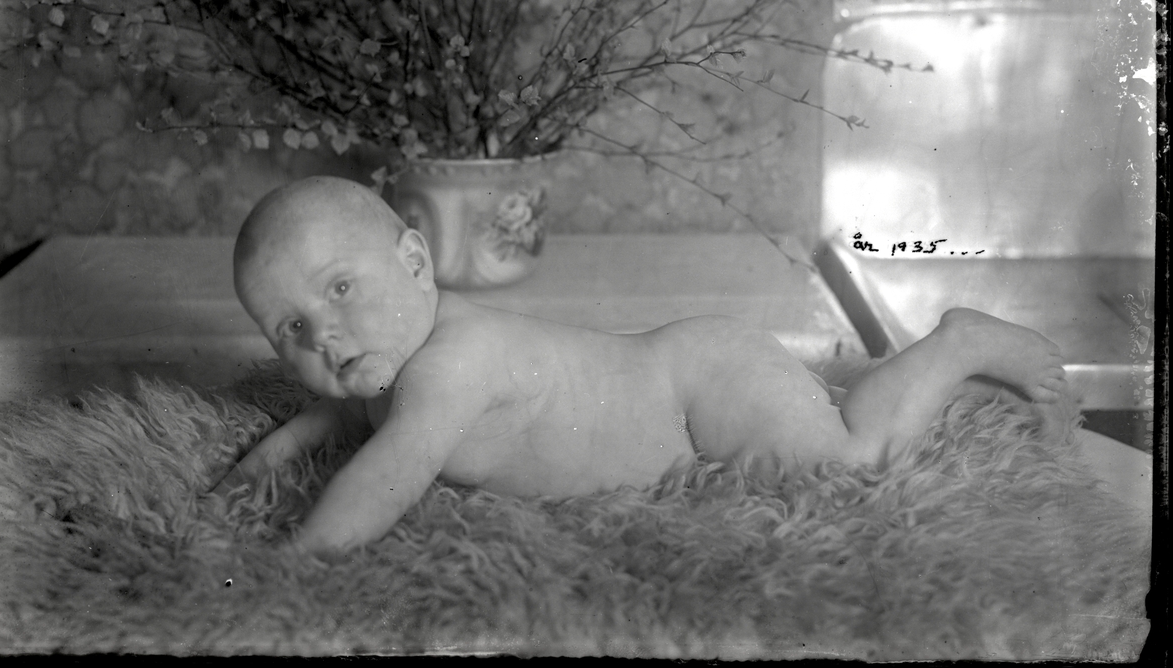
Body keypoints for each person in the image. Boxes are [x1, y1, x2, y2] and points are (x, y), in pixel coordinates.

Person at [211, 176, 1069, 555]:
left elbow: (387, 475)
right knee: (822, 422)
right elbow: (341, 414)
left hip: (699, 391)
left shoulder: (450, 366)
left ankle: (957, 342)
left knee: (850, 460)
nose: (324, 335)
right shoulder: (393, 363)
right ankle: (929, 382)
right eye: (290, 326)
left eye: (340, 288)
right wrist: (264, 460)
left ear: (413, 260)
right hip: (687, 370)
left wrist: (301, 558)